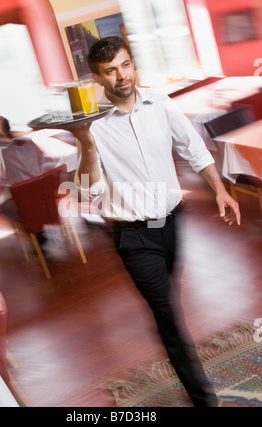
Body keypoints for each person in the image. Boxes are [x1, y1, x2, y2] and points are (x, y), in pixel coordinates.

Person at [70, 36, 241, 407]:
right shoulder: (91, 125)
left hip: (172, 225)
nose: (121, 76)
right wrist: (85, 143)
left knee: (168, 300)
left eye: (125, 65)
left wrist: (220, 190)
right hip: (133, 236)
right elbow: (86, 191)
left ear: (133, 65)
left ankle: (171, 333)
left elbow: (193, 149)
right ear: (98, 78)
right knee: (168, 313)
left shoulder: (160, 103)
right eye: (110, 71)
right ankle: (204, 399)